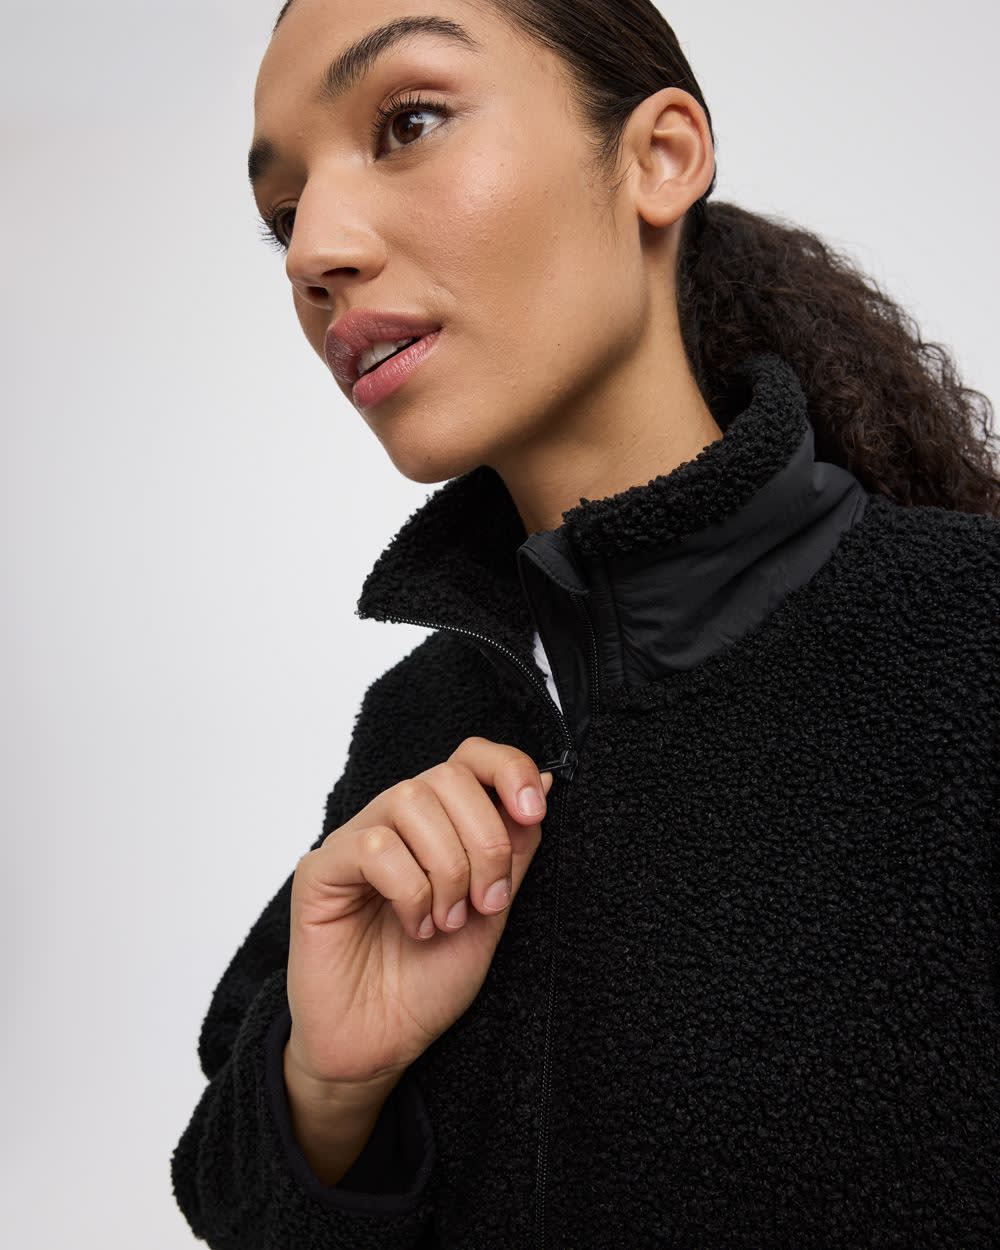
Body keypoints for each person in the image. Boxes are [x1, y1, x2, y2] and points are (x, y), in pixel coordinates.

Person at [170, 1, 1000, 1246]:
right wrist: (332, 1088)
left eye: (409, 122)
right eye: (283, 215)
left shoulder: (969, 639)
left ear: (658, 156)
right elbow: (244, 1204)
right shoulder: (419, 720)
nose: (313, 254)